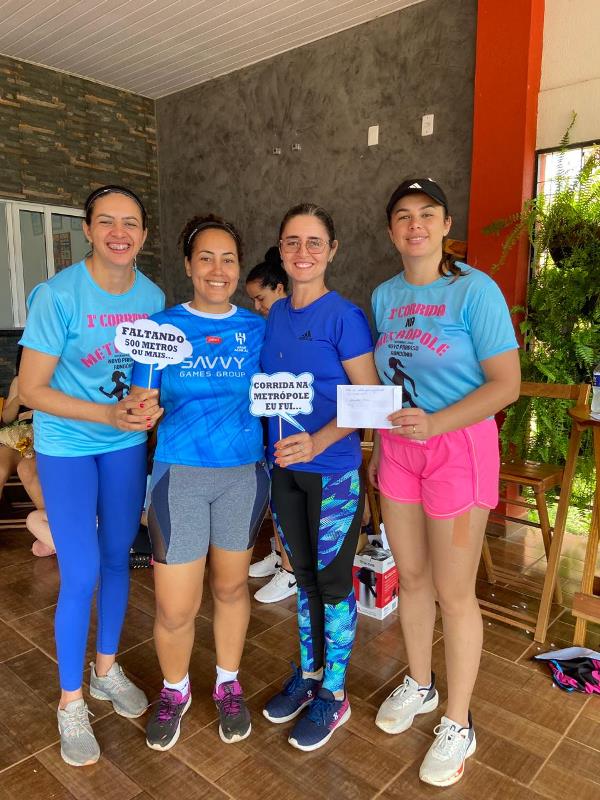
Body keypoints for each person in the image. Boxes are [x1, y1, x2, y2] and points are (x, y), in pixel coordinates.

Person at [370, 178, 520, 787]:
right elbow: (387, 381)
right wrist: (381, 443)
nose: (415, 225)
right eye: (404, 216)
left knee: (454, 592)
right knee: (411, 577)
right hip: (399, 451)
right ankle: (420, 683)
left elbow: (506, 384)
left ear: (445, 224)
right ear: (391, 231)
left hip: (458, 450)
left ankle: (458, 721)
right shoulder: (384, 296)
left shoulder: (474, 291)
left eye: (427, 214)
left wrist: (436, 423)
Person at [18, 185, 165, 767]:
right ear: (87, 229)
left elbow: (150, 377)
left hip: (124, 446)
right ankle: (70, 701)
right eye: (107, 221)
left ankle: (105, 670)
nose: (119, 233)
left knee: (115, 558)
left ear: (144, 234)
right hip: (68, 448)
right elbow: (32, 389)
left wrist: (150, 406)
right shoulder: (57, 296)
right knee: (80, 573)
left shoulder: (152, 297)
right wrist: (107, 414)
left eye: (130, 223)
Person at [139, 214, 269, 752]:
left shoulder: (258, 329)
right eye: (206, 258)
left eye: (228, 259)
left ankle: (227, 683)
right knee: (175, 607)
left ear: (239, 267)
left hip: (243, 476)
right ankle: (175, 690)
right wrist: (139, 410)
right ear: (189, 266)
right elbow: (142, 399)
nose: (218, 270)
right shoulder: (161, 328)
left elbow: (281, 390)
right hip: (180, 477)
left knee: (232, 588)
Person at [261, 203, 380, 751]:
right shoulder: (275, 315)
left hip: (330, 473)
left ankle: (335, 693)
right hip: (284, 470)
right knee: (304, 579)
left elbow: (372, 398)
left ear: (332, 250)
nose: (302, 252)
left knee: (332, 585)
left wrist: (319, 440)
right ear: (281, 250)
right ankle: (310, 675)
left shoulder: (344, 317)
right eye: (292, 241)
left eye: (314, 242)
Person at [245, 247, 296, 604]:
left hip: (291, 426)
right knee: (274, 495)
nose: (257, 307)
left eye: (260, 298)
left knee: (285, 497)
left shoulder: (293, 323)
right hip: (267, 422)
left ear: (279, 288)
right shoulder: (269, 325)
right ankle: (280, 555)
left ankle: (291, 572)